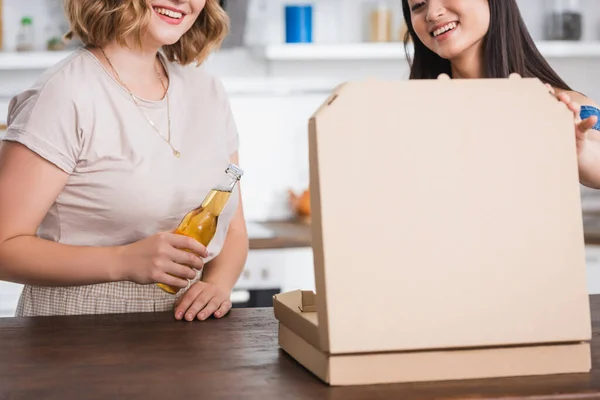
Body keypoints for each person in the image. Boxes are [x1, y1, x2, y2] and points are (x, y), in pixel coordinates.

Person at [0, 0, 249, 321]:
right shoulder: (64, 94)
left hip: (187, 344)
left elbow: (233, 227)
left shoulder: (208, 91)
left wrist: (217, 285)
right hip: (76, 336)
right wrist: (123, 261)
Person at [402, 0, 600, 188]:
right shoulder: (410, 114)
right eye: (418, 5)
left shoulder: (561, 107)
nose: (432, 13)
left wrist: (579, 153)